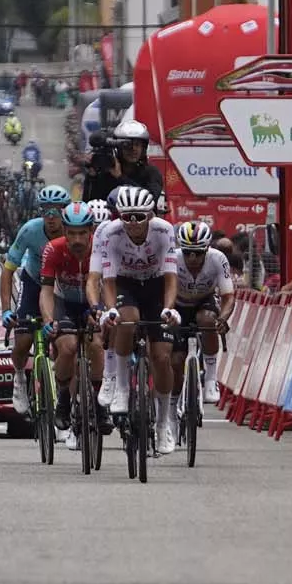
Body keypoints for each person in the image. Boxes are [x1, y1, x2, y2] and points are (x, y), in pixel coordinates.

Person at [89, 185, 181, 454]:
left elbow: (171, 278)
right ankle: (121, 388)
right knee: (127, 319)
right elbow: (108, 279)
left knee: (162, 357)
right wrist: (110, 309)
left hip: (155, 286)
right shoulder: (110, 232)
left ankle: (164, 421)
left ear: (150, 215)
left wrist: (168, 308)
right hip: (125, 284)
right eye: (126, 216)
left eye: (139, 217)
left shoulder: (164, 230)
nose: (132, 223)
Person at [37, 201, 107, 451]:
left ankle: (99, 403)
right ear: (64, 231)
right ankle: (64, 398)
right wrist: (48, 320)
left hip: (92, 303)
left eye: (82, 233)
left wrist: (103, 313)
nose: (77, 239)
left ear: (91, 231)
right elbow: (46, 290)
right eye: (71, 233)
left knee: (97, 345)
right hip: (63, 303)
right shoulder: (53, 249)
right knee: (67, 347)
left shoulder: (100, 249)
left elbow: (107, 286)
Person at [0, 184, 72, 414]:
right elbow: (8, 270)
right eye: (45, 211)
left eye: (56, 211)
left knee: (62, 342)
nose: (51, 217)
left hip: (61, 285)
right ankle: (20, 378)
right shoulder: (30, 230)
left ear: (66, 211)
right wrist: (6, 310)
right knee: (23, 340)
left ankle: (62, 396)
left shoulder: (73, 232)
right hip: (33, 282)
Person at [169, 221, 235, 406]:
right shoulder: (173, 258)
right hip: (178, 304)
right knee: (176, 360)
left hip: (204, 301)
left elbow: (228, 296)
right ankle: (173, 405)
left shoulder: (218, 258)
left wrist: (222, 318)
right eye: (187, 252)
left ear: (207, 249)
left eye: (198, 252)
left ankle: (211, 379)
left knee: (207, 319)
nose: (192, 257)